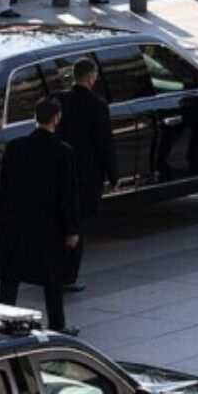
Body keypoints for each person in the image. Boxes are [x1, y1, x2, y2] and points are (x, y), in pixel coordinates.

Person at [0, 95, 80, 335]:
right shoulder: (63, 153)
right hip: (48, 226)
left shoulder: (15, 147)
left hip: (17, 223)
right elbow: (67, 195)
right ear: (56, 118)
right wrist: (71, 229)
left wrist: (0, 220)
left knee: (11, 277)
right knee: (52, 278)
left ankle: (3, 318)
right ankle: (57, 323)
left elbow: (5, 187)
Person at [55, 59, 115, 291]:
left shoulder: (60, 101)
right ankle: (69, 276)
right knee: (77, 225)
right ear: (91, 77)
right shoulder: (98, 106)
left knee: (60, 222)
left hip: (60, 171)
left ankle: (55, 269)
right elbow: (105, 144)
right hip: (86, 175)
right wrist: (113, 173)